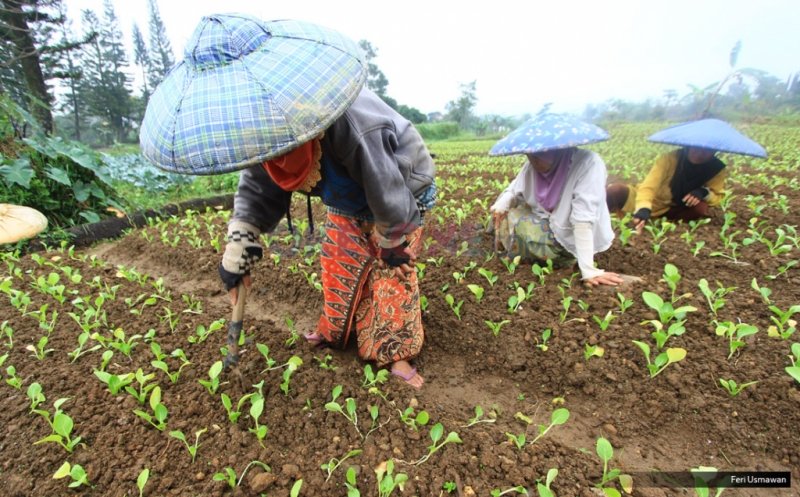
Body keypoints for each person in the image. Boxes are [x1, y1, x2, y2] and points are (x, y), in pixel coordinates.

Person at [219, 86, 435, 389]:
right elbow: (257, 186)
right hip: (347, 195)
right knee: (338, 262)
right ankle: (335, 330)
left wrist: (393, 240)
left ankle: (395, 353)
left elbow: (386, 183)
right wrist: (238, 250)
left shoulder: (350, 118)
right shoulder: (265, 128)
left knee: (392, 271)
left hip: (400, 186)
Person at [489, 143, 624, 287]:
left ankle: (566, 259)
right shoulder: (532, 166)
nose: (533, 160)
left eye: (539, 154)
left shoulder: (588, 164)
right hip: (547, 220)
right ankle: (498, 235)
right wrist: (503, 202)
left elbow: (583, 220)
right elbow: (515, 189)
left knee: (521, 226)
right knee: (505, 212)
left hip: (573, 237)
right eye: (528, 154)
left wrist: (588, 270)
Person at [606, 146, 726, 234]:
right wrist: (643, 208)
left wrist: (703, 192)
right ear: (689, 145)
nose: (700, 153)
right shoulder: (670, 158)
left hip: (672, 209)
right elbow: (648, 187)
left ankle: (669, 225)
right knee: (615, 190)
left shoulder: (715, 169)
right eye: (697, 147)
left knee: (700, 208)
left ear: (715, 151)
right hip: (649, 200)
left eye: (707, 150)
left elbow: (716, 197)